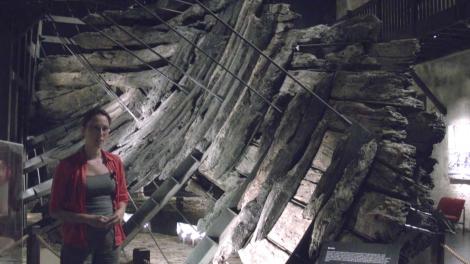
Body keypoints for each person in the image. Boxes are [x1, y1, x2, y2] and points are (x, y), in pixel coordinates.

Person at [49, 108, 129, 264]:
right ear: (83, 131)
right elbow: (54, 210)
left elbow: (123, 197)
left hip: (109, 241)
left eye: (104, 128)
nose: (100, 133)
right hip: (77, 243)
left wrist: (120, 212)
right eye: (95, 128)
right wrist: (87, 219)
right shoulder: (67, 166)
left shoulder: (115, 162)